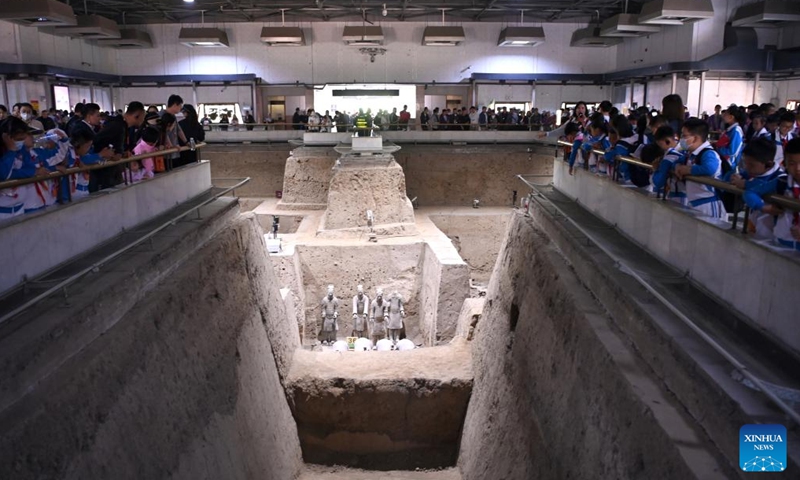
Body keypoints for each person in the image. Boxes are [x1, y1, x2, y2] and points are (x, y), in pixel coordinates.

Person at [674, 118, 727, 219]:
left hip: (708, 205)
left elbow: (709, 169)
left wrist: (688, 170)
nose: (681, 139)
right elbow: (677, 161)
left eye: (684, 136)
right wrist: (677, 166)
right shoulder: (691, 154)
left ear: (695, 138)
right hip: (695, 202)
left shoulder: (709, 153)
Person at [729, 137, 780, 237]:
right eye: (745, 163)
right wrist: (734, 176)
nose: (747, 168)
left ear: (768, 164)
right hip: (755, 223)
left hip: (772, 230)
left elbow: (761, 185)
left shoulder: (779, 179)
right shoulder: (752, 172)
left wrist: (745, 184)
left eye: (751, 165)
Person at [91, 101, 145, 192]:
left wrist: (121, 153)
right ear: (137, 115)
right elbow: (97, 142)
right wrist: (108, 154)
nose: (143, 120)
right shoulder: (118, 126)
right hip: (103, 173)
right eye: (143, 117)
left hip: (111, 171)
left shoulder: (122, 126)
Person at [0, 117, 40, 220]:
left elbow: (32, 169)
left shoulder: (21, 148)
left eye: (22, 139)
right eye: (18, 139)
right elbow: (3, 174)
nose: (20, 143)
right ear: (6, 137)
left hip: (19, 208)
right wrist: (11, 150)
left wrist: (14, 174)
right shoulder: (10, 150)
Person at [650, 126, 687, 206]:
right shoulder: (687, 151)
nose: (661, 148)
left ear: (666, 141)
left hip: (677, 195)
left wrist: (655, 169)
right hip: (688, 195)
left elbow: (658, 182)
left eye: (660, 144)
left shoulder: (669, 157)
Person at [717, 106, 745, 171]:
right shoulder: (730, 129)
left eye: (726, 114)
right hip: (724, 160)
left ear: (731, 117)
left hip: (730, 163)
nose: (723, 116)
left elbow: (732, 151)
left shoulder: (736, 131)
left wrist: (718, 149)